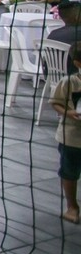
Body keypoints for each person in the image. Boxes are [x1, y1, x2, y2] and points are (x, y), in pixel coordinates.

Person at [47, 42, 81, 224]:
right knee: (70, 172)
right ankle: (72, 206)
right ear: (78, 63)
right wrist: (70, 112)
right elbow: (54, 103)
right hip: (72, 137)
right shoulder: (69, 82)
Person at [48, 1, 81, 74]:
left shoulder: (53, 34)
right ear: (77, 16)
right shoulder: (78, 33)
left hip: (54, 75)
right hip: (75, 76)